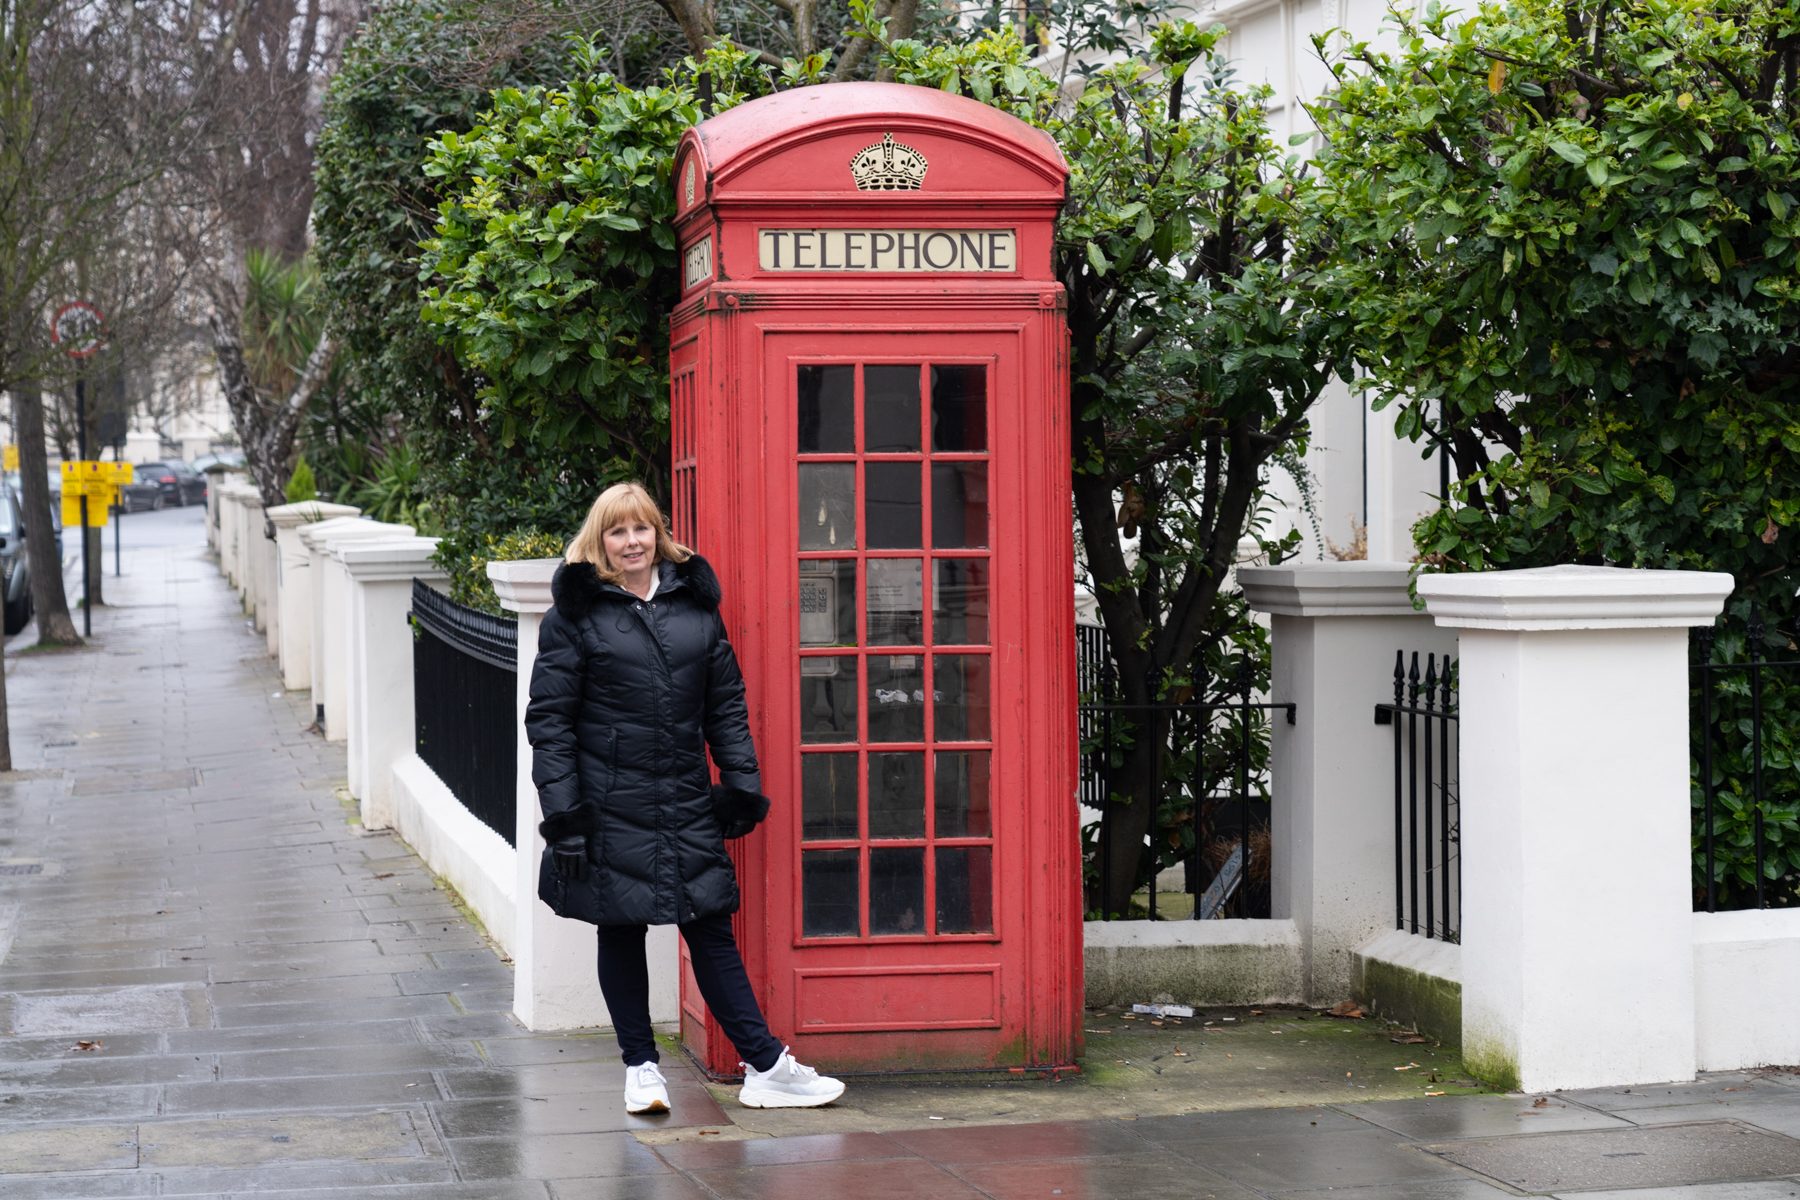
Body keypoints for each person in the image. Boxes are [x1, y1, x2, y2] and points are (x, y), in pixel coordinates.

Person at [525, 482, 845, 1114]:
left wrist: (742, 785)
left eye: (641, 528)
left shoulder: (694, 608)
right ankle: (641, 1069)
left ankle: (766, 1066)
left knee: (710, 930)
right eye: (617, 531)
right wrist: (563, 817)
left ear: (658, 533)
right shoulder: (576, 616)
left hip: (685, 799)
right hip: (610, 802)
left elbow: (725, 705)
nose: (631, 542)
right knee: (620, 930)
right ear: (600, 540)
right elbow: (550, 721)